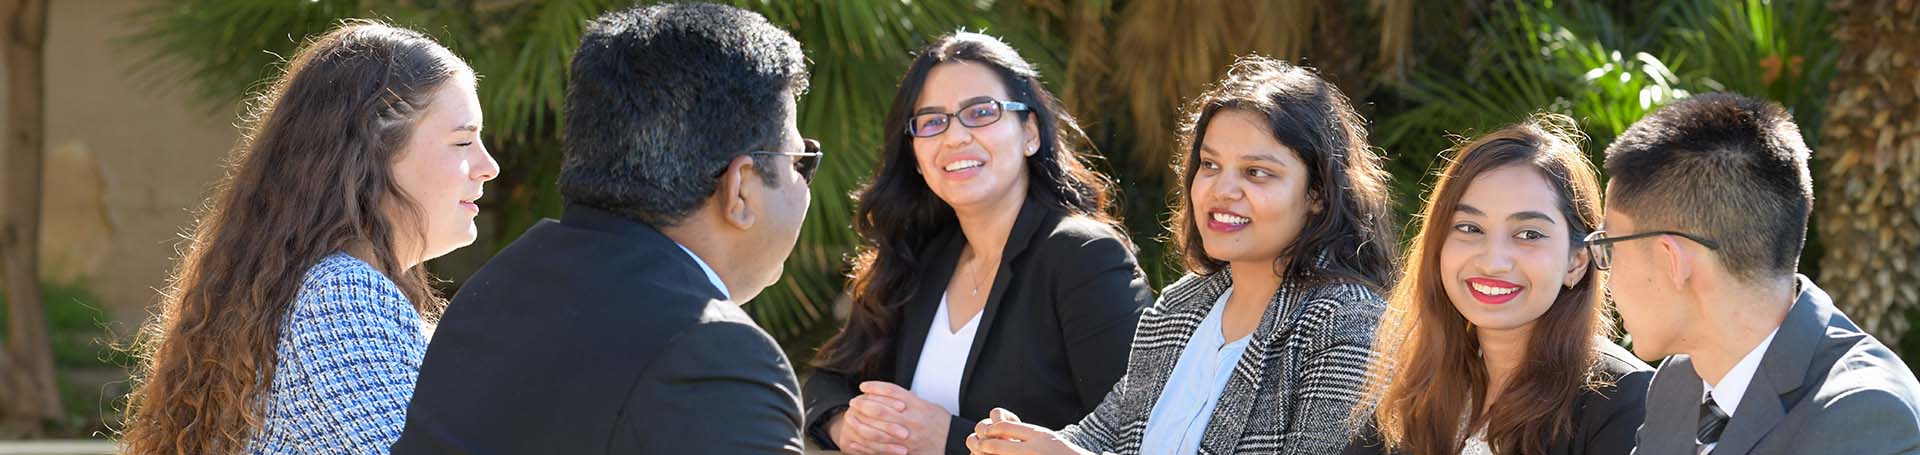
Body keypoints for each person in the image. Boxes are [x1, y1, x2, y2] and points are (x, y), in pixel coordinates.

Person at [391, 3, 814, 453]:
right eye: (800, 162)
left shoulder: (492, 294)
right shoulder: (715, 355)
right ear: (740, 188)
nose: (804, 183)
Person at [967, 56, 1399, 455]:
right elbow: (1099, 438)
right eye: (1210, 165)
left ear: (1318, 194)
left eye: (1256, 173)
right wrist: (1025, 443)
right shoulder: (1181, 304)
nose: (1221, 190)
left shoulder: (1349, 323)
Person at [120, 21, 495, 454]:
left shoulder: (314, 289)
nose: (489, 167)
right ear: (374, 151)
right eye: (462, 142)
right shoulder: (342, 296)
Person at [803, 31, 1151, 455]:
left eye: (981, 112)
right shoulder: (921, 257)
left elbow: (1138, 439)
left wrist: (949, 439)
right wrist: (845, 424)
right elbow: (826, 381)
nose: (955, 138)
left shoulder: (1085, 257)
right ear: (915, 156)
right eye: (932, 122)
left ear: (1030, 133)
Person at [1594, 93, 1920, 454]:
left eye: (1610, 247)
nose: (1606, 279)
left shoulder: (1863, 415)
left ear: (1671, 260)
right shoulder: (1678, 380)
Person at [1346, 114, 1650, 455]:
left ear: (1577, 262)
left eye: (1529, 234)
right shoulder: (1418, 382)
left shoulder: (1623, 399)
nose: (1492, 262)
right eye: (1470, 228)